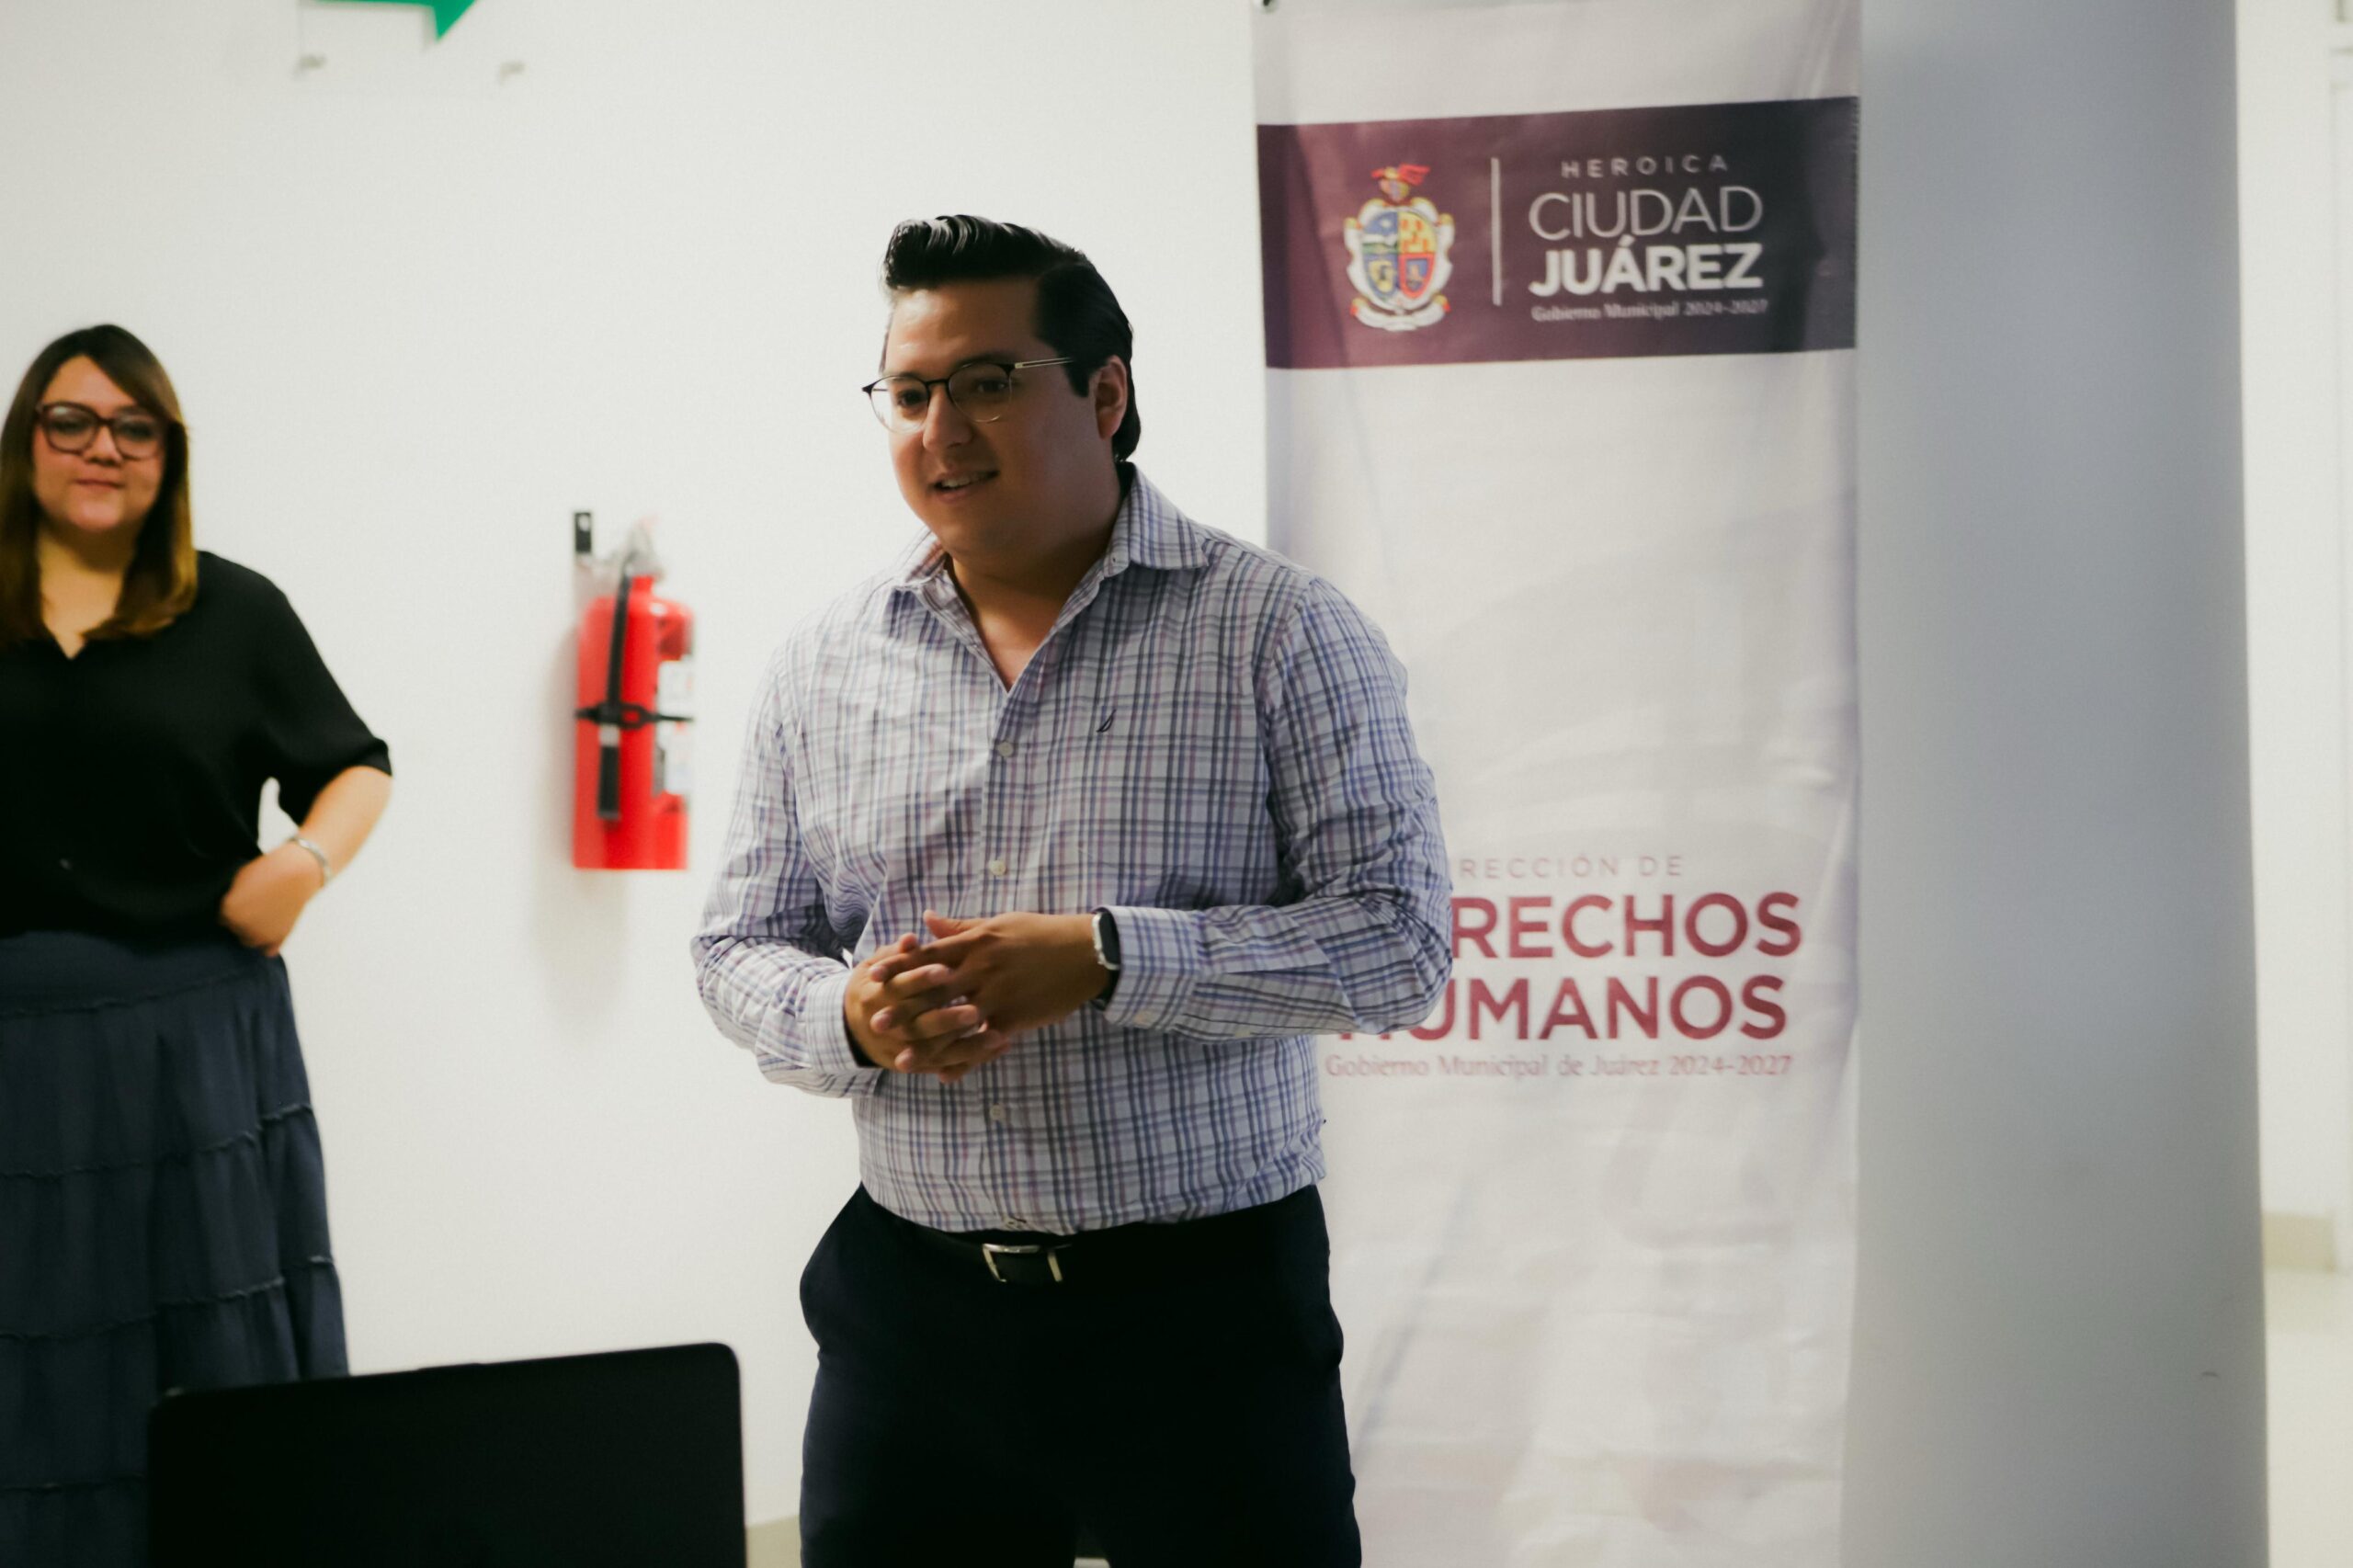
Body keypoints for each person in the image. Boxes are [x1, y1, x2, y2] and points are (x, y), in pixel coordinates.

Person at [692, 216, 1450, 1567]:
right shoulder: (823, 661)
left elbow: (1400, 941)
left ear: (1105, 394)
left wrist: (1109, 957)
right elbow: (740, 944)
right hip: (910, 1314)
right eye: (910, 393)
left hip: (1200, 1317)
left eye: (988, 382)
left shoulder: (1280, 630)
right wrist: (849, 1015)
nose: (941, 429)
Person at [0, 325, 392, 1567]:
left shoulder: (233, 608)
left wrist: (304, 865)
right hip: (16, 1048)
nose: (101, 448)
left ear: (169, 454)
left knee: (210, 1344)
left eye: (136, 427)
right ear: (26, 440)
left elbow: (357, 767)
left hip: (200, 1046)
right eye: (71, 421)